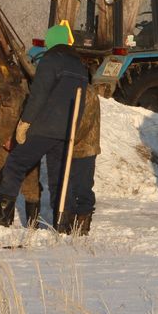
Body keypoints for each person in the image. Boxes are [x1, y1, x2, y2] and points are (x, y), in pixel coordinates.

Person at [0, 23, 88, 228]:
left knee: (15, 163)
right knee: (60, 177)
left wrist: (25, 122)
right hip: (66, 131)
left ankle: (1, 215)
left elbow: (38, 95)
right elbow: (81, 101)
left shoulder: (50, 60)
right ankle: (63, 224)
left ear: (52, 41)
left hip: (43, 128)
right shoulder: (80, 66)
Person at [0, 71, 44, 226]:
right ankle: (3, 218)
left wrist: (17, 140)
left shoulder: (20, 98)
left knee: (30, 183)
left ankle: (33, 223)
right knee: (3, 181)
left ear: (0, 90)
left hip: (24, 144)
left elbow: (31, 122)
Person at [61, 84, 101, 235]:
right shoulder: (65, 87)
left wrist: (69, 139)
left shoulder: (88, 92)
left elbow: (85, 122)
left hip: (85, 146)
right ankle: (69, 221)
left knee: (83, 185)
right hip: (68, 146)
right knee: (68, 186)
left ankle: (83, 220)